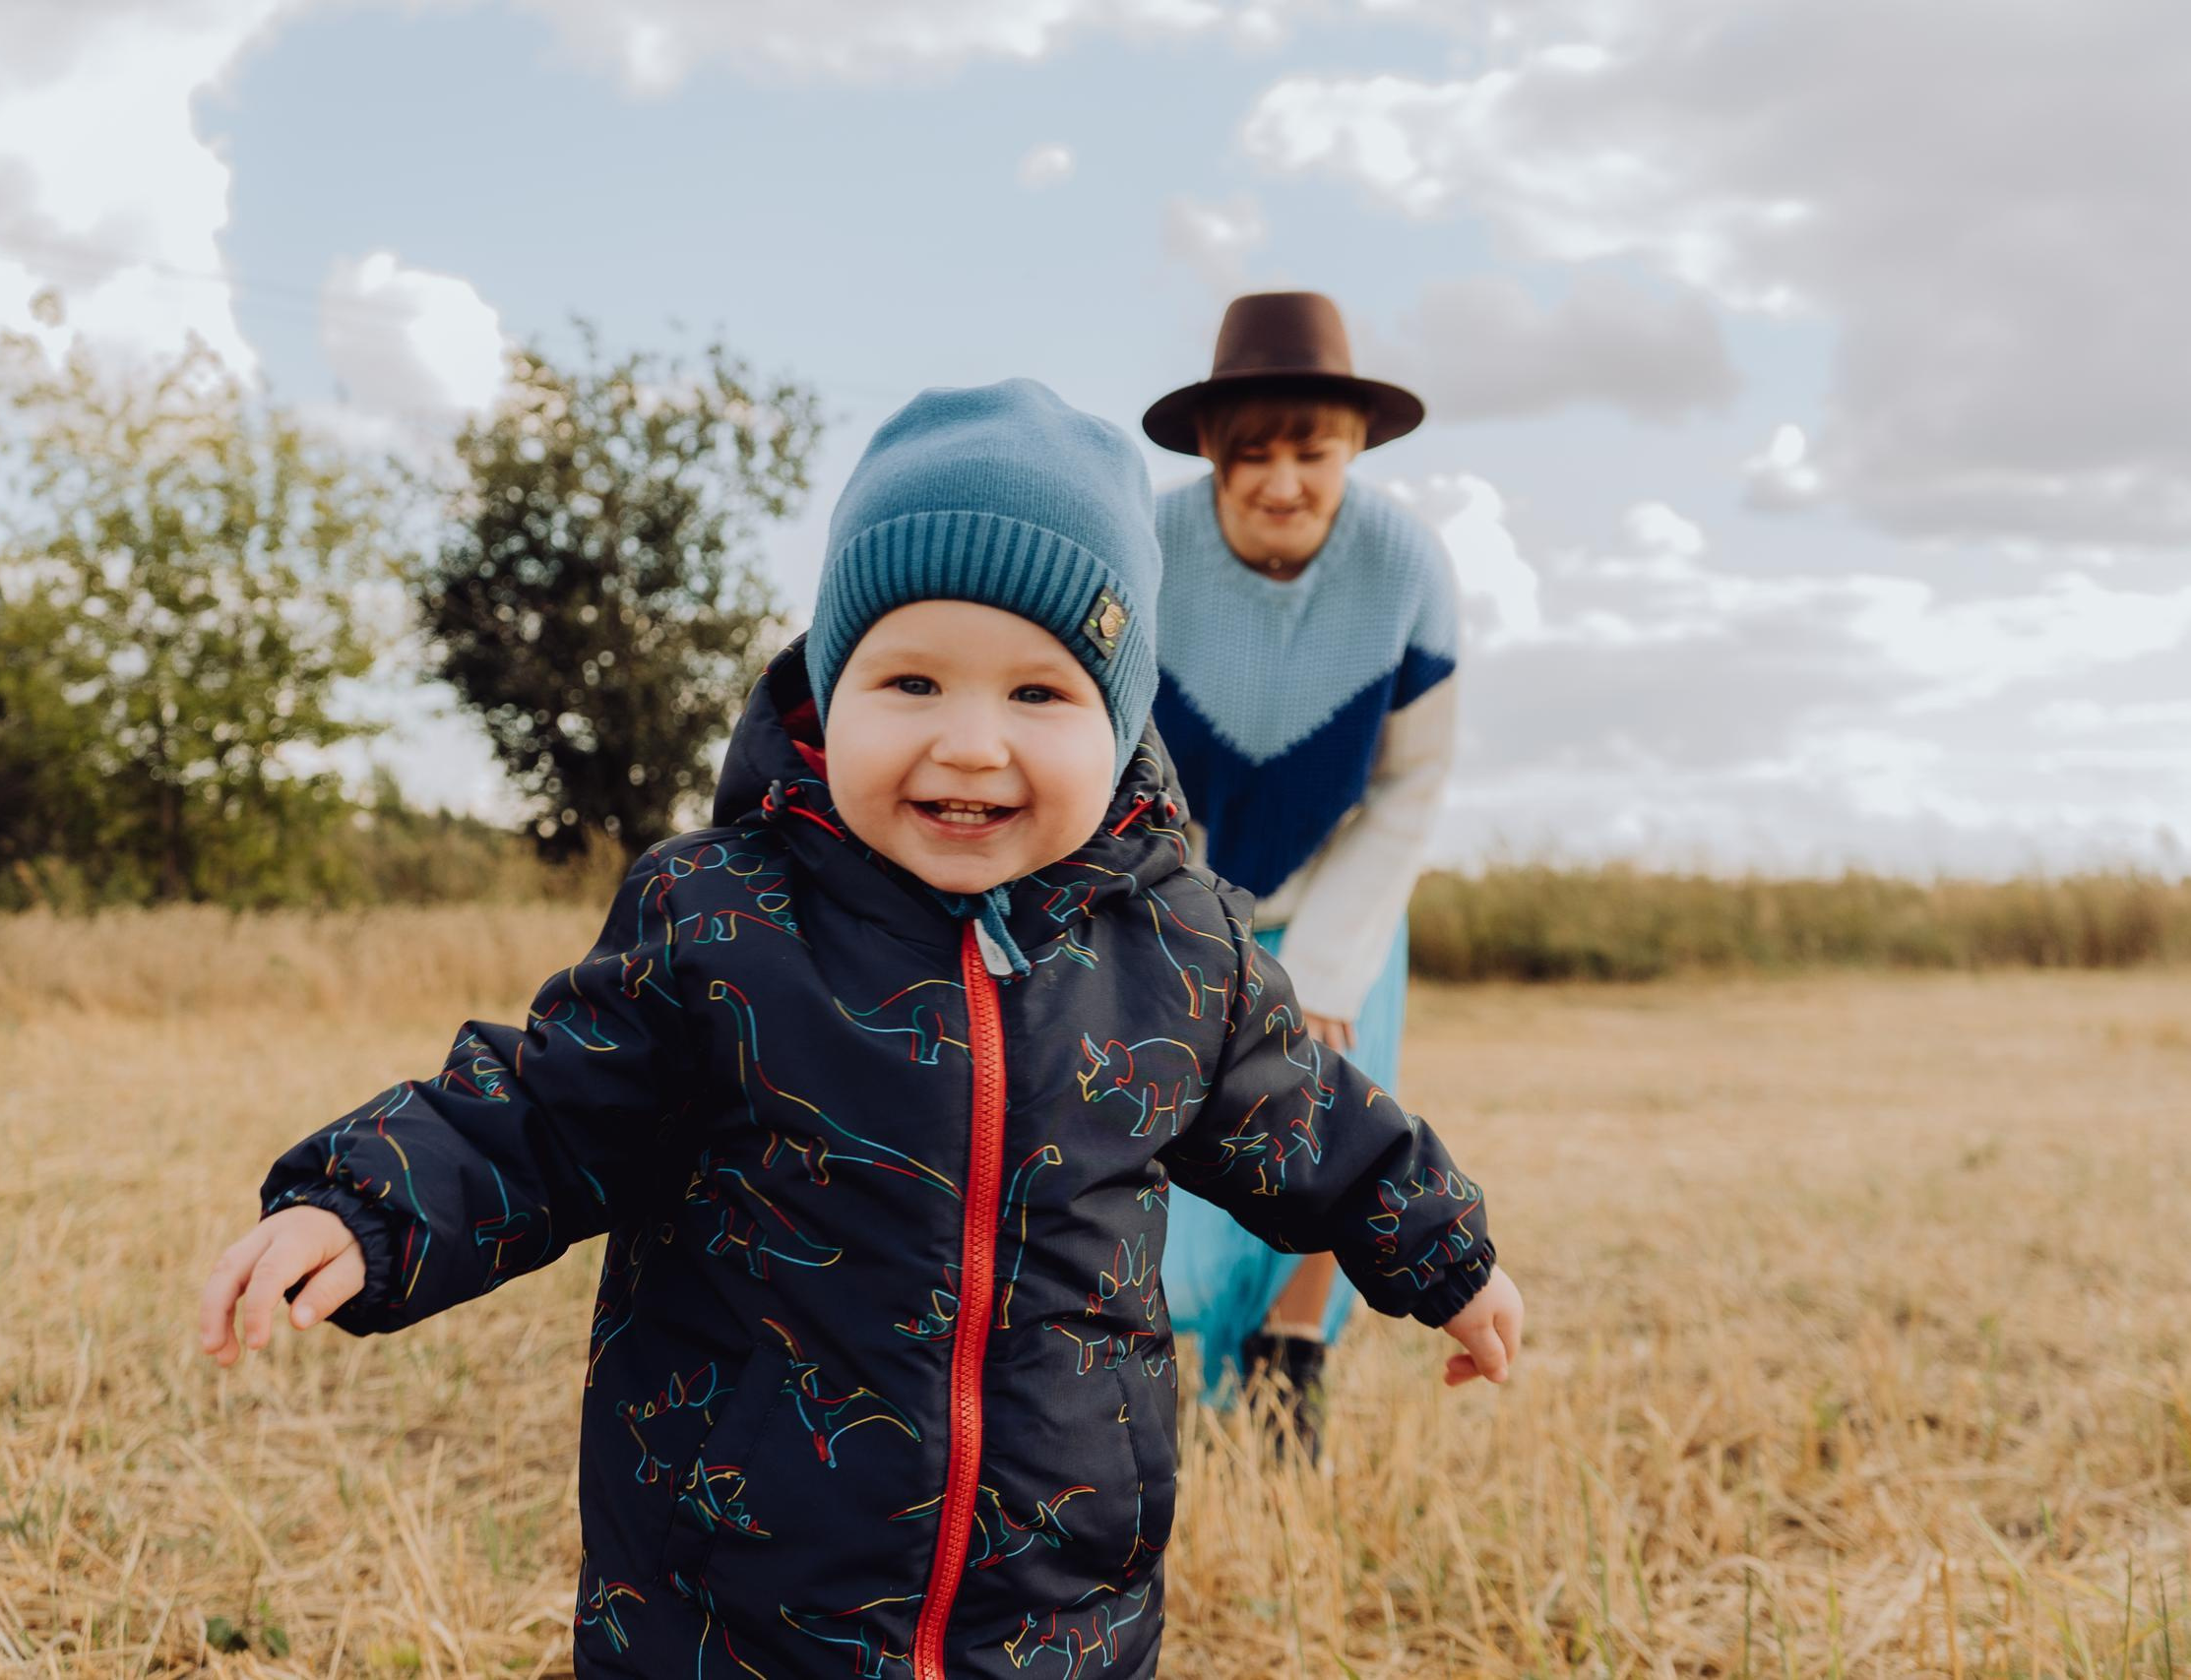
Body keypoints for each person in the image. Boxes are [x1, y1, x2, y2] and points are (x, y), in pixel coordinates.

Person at [197, 379, 1519, 1680]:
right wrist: (361, 1206)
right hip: (734, 1601)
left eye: (1039, 696)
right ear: (826, 696)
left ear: (1122, 724)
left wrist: (1446, 1258)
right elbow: (539, 1112)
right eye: (913, 679)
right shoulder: (719, 922)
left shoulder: (1180, 948)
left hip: (1057, 1606)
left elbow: (1316, 1125)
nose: (969, 741)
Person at [1142, 291, 1462, 1456]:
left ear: (1354, 449)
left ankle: (1291, 1366)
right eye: (1255, 454)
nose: (1284, 481)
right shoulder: (1146, 547)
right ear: (1214, 455)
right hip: (1168, 897)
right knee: (1160, 1132)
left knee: (1335, 1119)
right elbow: (1101, 743)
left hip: (1340, 904)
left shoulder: (1408, 566)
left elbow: (1409, 784)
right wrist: (1179, 921)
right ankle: (1151, 1375)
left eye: (1311, 451)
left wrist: (1323, 958)